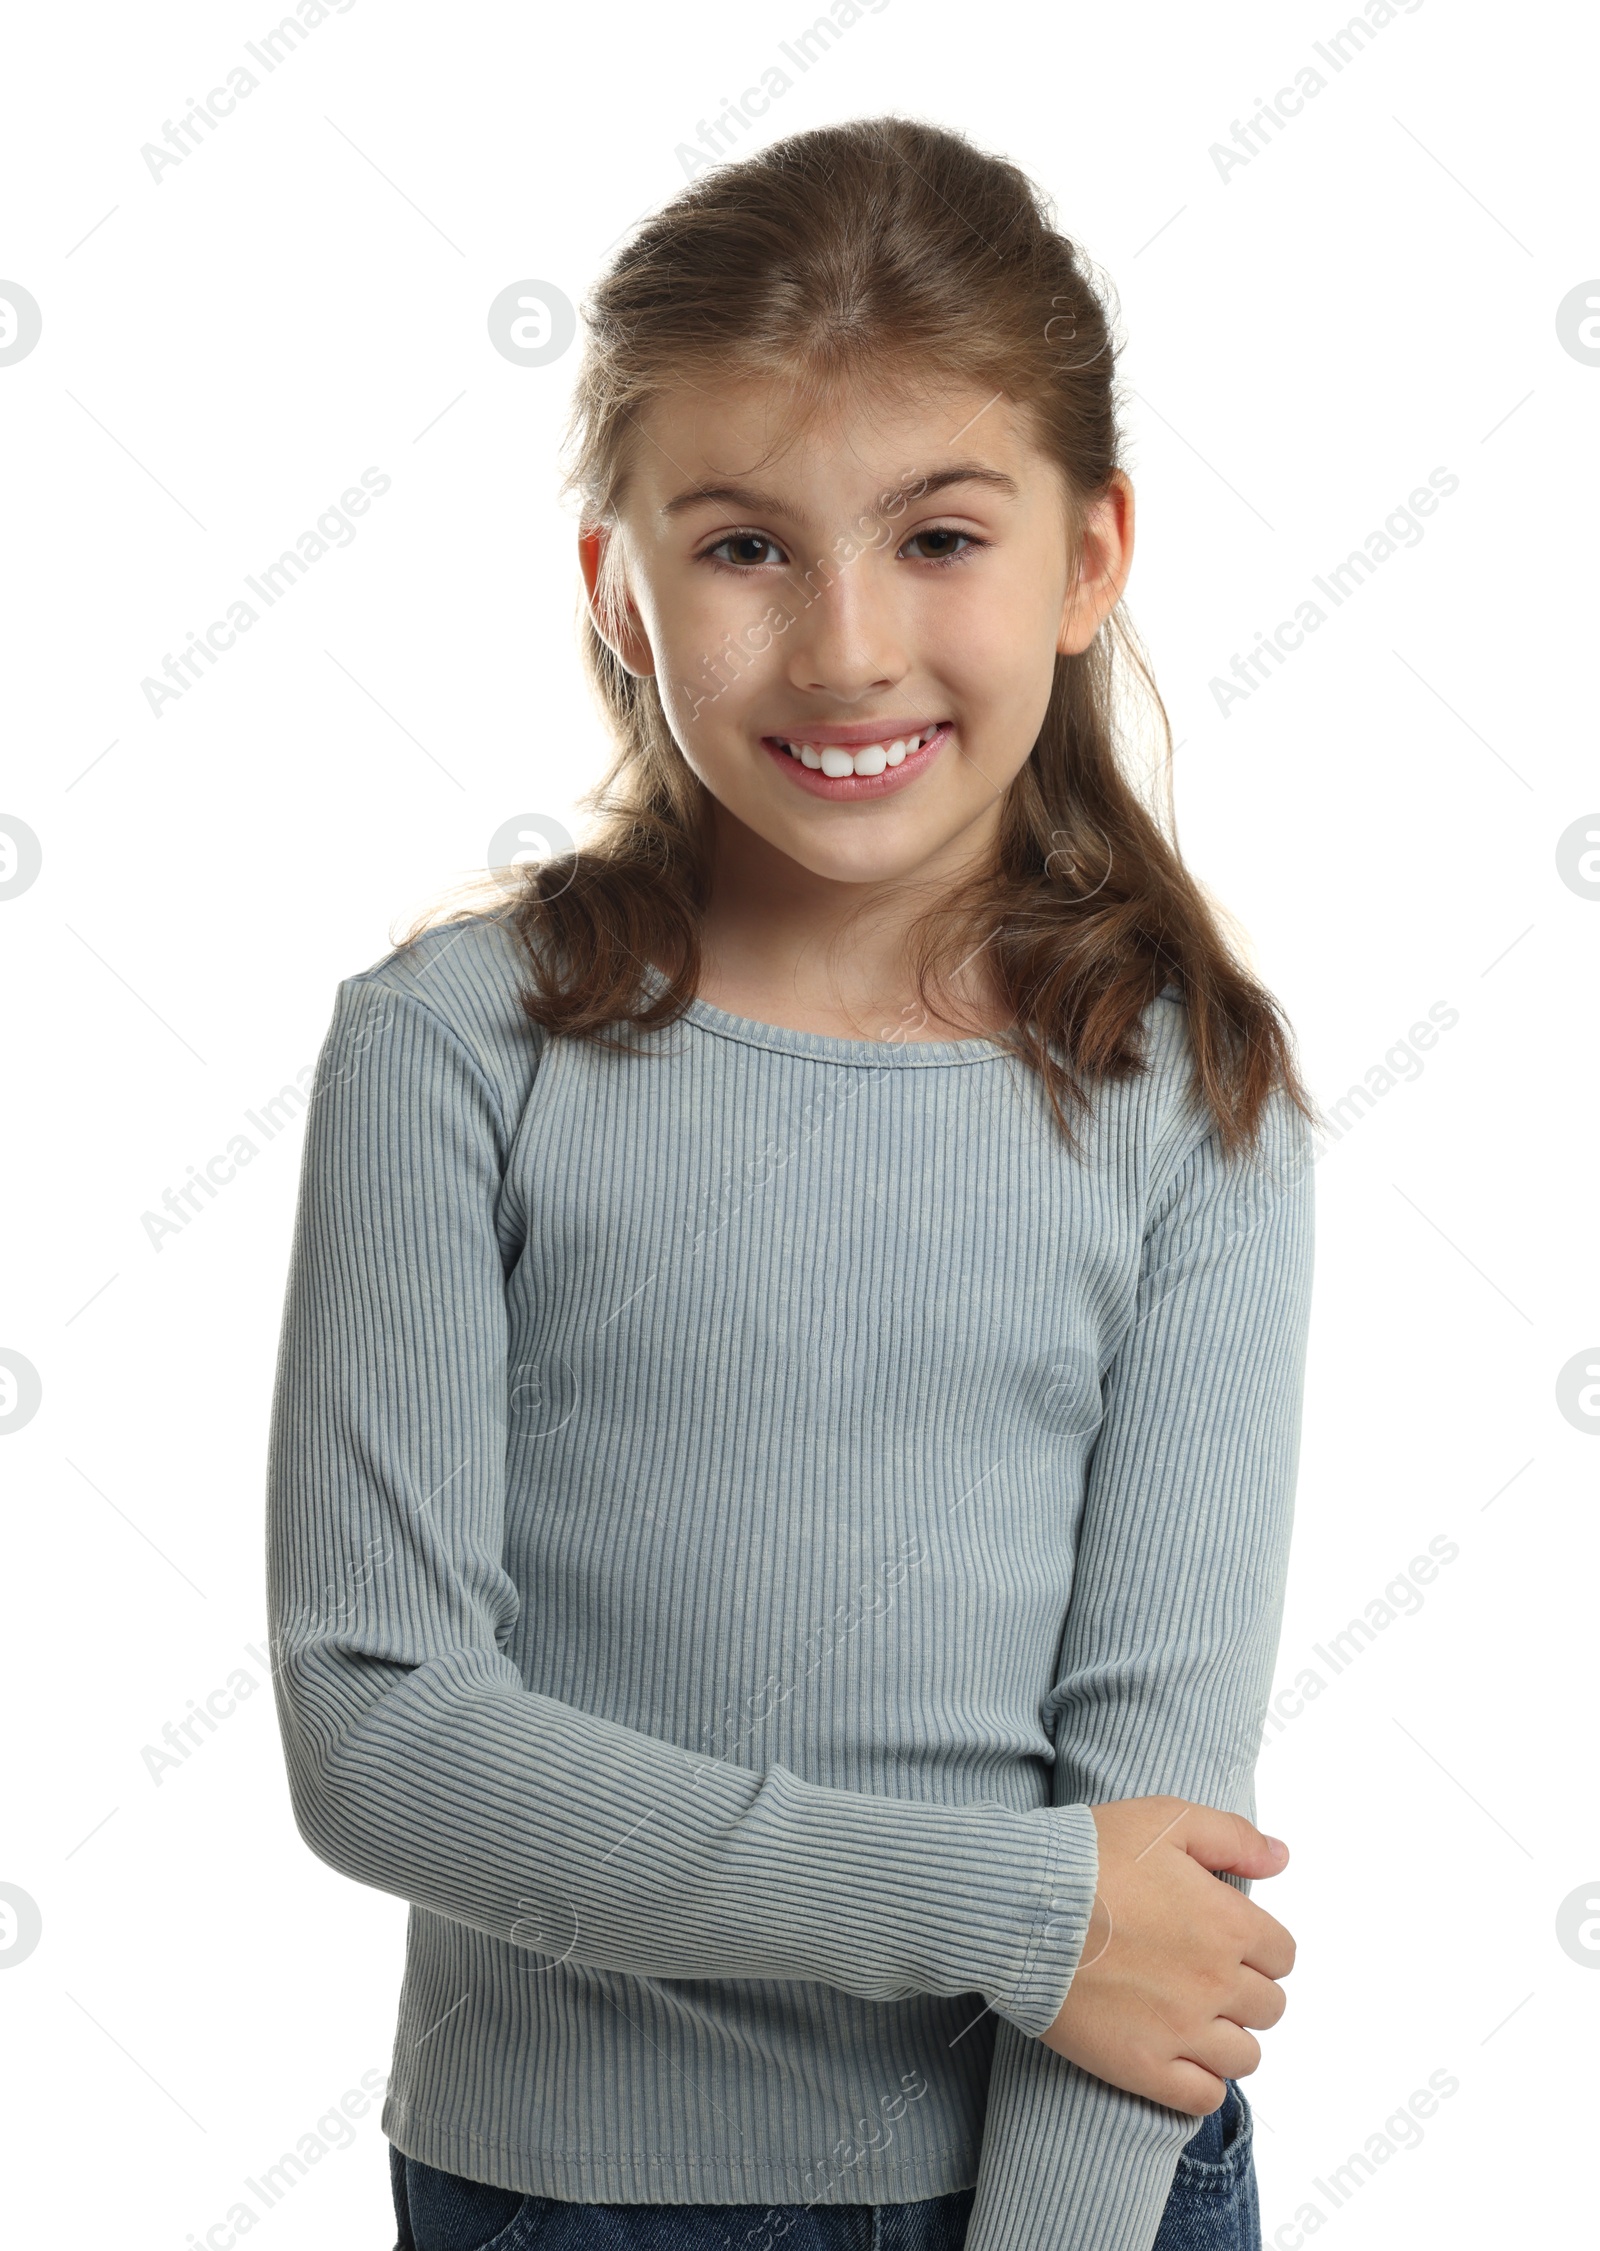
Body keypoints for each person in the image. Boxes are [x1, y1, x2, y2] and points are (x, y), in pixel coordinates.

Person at [265, 115, 1316, 2251]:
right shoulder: (450, 1055)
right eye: (744, 547)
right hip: (565, 2190)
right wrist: (1015, 1913)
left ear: (1088, 554)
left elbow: (1153, 1836)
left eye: (938, 537)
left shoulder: (1186, 1095)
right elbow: (378, 1732)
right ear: (615, 588)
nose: (844, 651)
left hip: (1065, 2178)